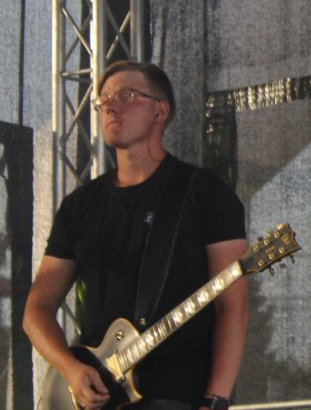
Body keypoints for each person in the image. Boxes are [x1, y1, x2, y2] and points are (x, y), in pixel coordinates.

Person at [24, 61, 249, 410]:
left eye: (126, 96)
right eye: (103, 100)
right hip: (96, 395)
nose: (110, 106)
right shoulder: (80, 205)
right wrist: (70, 368)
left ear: (160, 112)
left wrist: (216, 399)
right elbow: (36, 309)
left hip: (175, 394)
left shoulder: (204, 193)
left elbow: (232, 306)